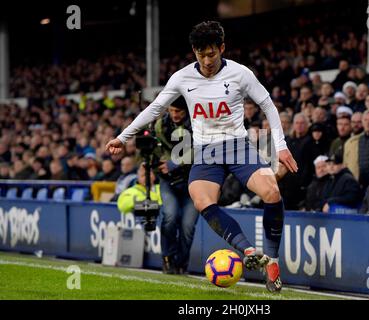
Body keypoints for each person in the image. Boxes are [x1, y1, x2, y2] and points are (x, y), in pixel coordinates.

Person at [106, 21, 298, 292]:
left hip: (237, 146)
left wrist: (281, 145)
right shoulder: (182, 77)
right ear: (194, 51)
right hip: (206, 151)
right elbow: (155, 108)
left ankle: (273, 262)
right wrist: (123, 136)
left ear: (222, 48)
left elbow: (268, 105)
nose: (207, 60)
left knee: (271, 192)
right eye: (200, 54)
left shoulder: (240, 73)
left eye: (211, 53)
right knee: (201, 201)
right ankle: (249, 250)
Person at [153, 97, 199, 275]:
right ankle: (167, 258)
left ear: (186, 111)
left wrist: (176, 162)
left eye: (178, 111)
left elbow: (202, 148)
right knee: (170, 217)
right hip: (168, 181)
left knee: (188, 226)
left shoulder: (197, 125)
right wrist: (153, 161)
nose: (174, 115)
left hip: (192, 182)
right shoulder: (160, 126)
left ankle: (181, 264)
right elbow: (154, 149)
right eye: (171, 111)